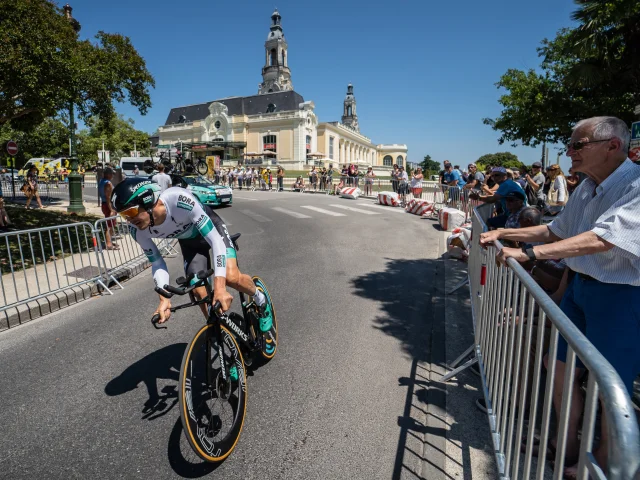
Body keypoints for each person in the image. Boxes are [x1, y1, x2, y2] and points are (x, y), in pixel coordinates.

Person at [479, 116, 640, 477]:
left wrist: (530, 254)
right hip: (582, 290)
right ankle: (564, 447)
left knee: (610, 387)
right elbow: (557, 231)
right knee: (560, 369)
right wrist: (506, 231)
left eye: (577, 145)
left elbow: (604, 239)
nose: (569, 152)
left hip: (621, 297)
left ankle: (602, 462)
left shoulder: (636, 185)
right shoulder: (587, 187)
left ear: (612, 146)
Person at [110, 179, 276, 340]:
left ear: (147, 202)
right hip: (191, 243)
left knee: (231, 277)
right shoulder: (137, 230)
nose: (129, 220)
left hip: (213, 231)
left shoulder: (179, 200)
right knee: (197, 290)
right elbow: (157, 262)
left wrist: (219, 288)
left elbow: (216, 241)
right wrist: (164, 299)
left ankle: (261, 300)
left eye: (130, 212)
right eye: (124, 215)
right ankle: (221, 334)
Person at [98, 167, 119, 250]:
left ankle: (109, 240)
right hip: (108, 205)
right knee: (109, 225)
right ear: (107, 174)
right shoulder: (107, 183)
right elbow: (108, 197)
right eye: (111, 174)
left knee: (111, 224)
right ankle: (108, 244)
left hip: (105, 204)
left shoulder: (102, 181)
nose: (112, 175)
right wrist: (111, 209)